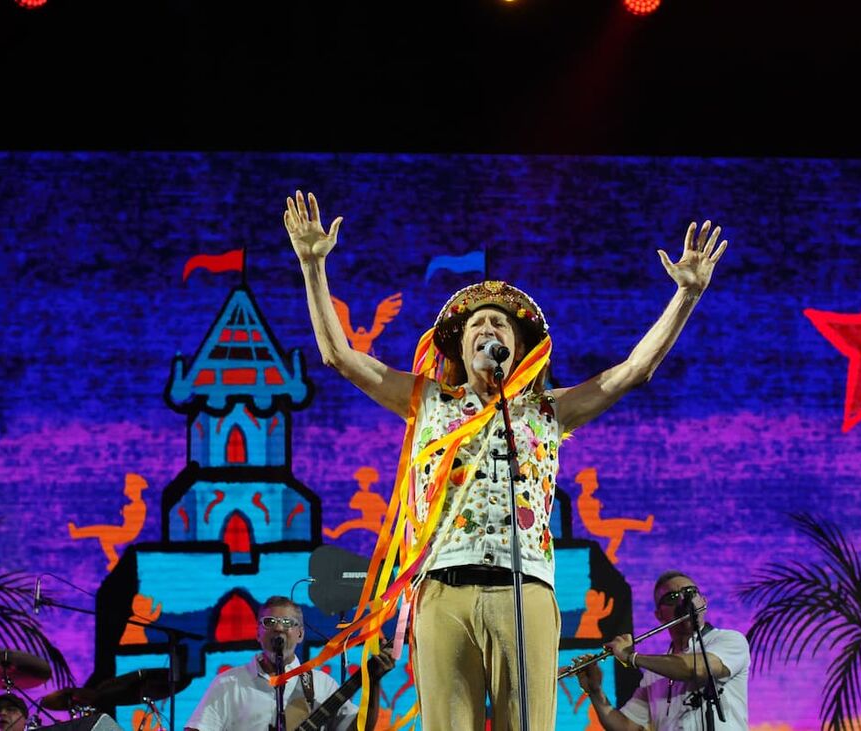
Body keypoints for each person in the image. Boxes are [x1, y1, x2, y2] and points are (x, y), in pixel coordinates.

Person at [284, 190, 728, 730]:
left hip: (527, 590)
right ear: (459, 346)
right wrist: (312, 266)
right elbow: (339, 356)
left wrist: (685, 296)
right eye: (477, 325)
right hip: (442, 589)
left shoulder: (548, 411)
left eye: (500, 325)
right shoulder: (427, 400)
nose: (488, 330)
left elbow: (633, 370)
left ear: (519, 348)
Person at [185, 596, 393, 731]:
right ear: (257, 633)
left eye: (287, 623)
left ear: (300, 634)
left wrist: (373, 682)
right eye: (269, 622)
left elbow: (359, 728)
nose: (278, 628)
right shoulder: (229, 683)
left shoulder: (321, 684)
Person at [576, 571, 750, 730]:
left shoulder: (728, 640)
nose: (684, 600)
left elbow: (698, 668)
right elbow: (628, 727)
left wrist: (631, 657)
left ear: (704, 601)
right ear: (659, 615)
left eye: (690, 592)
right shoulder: (654, 675)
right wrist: (595, 692)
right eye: (672, 597)